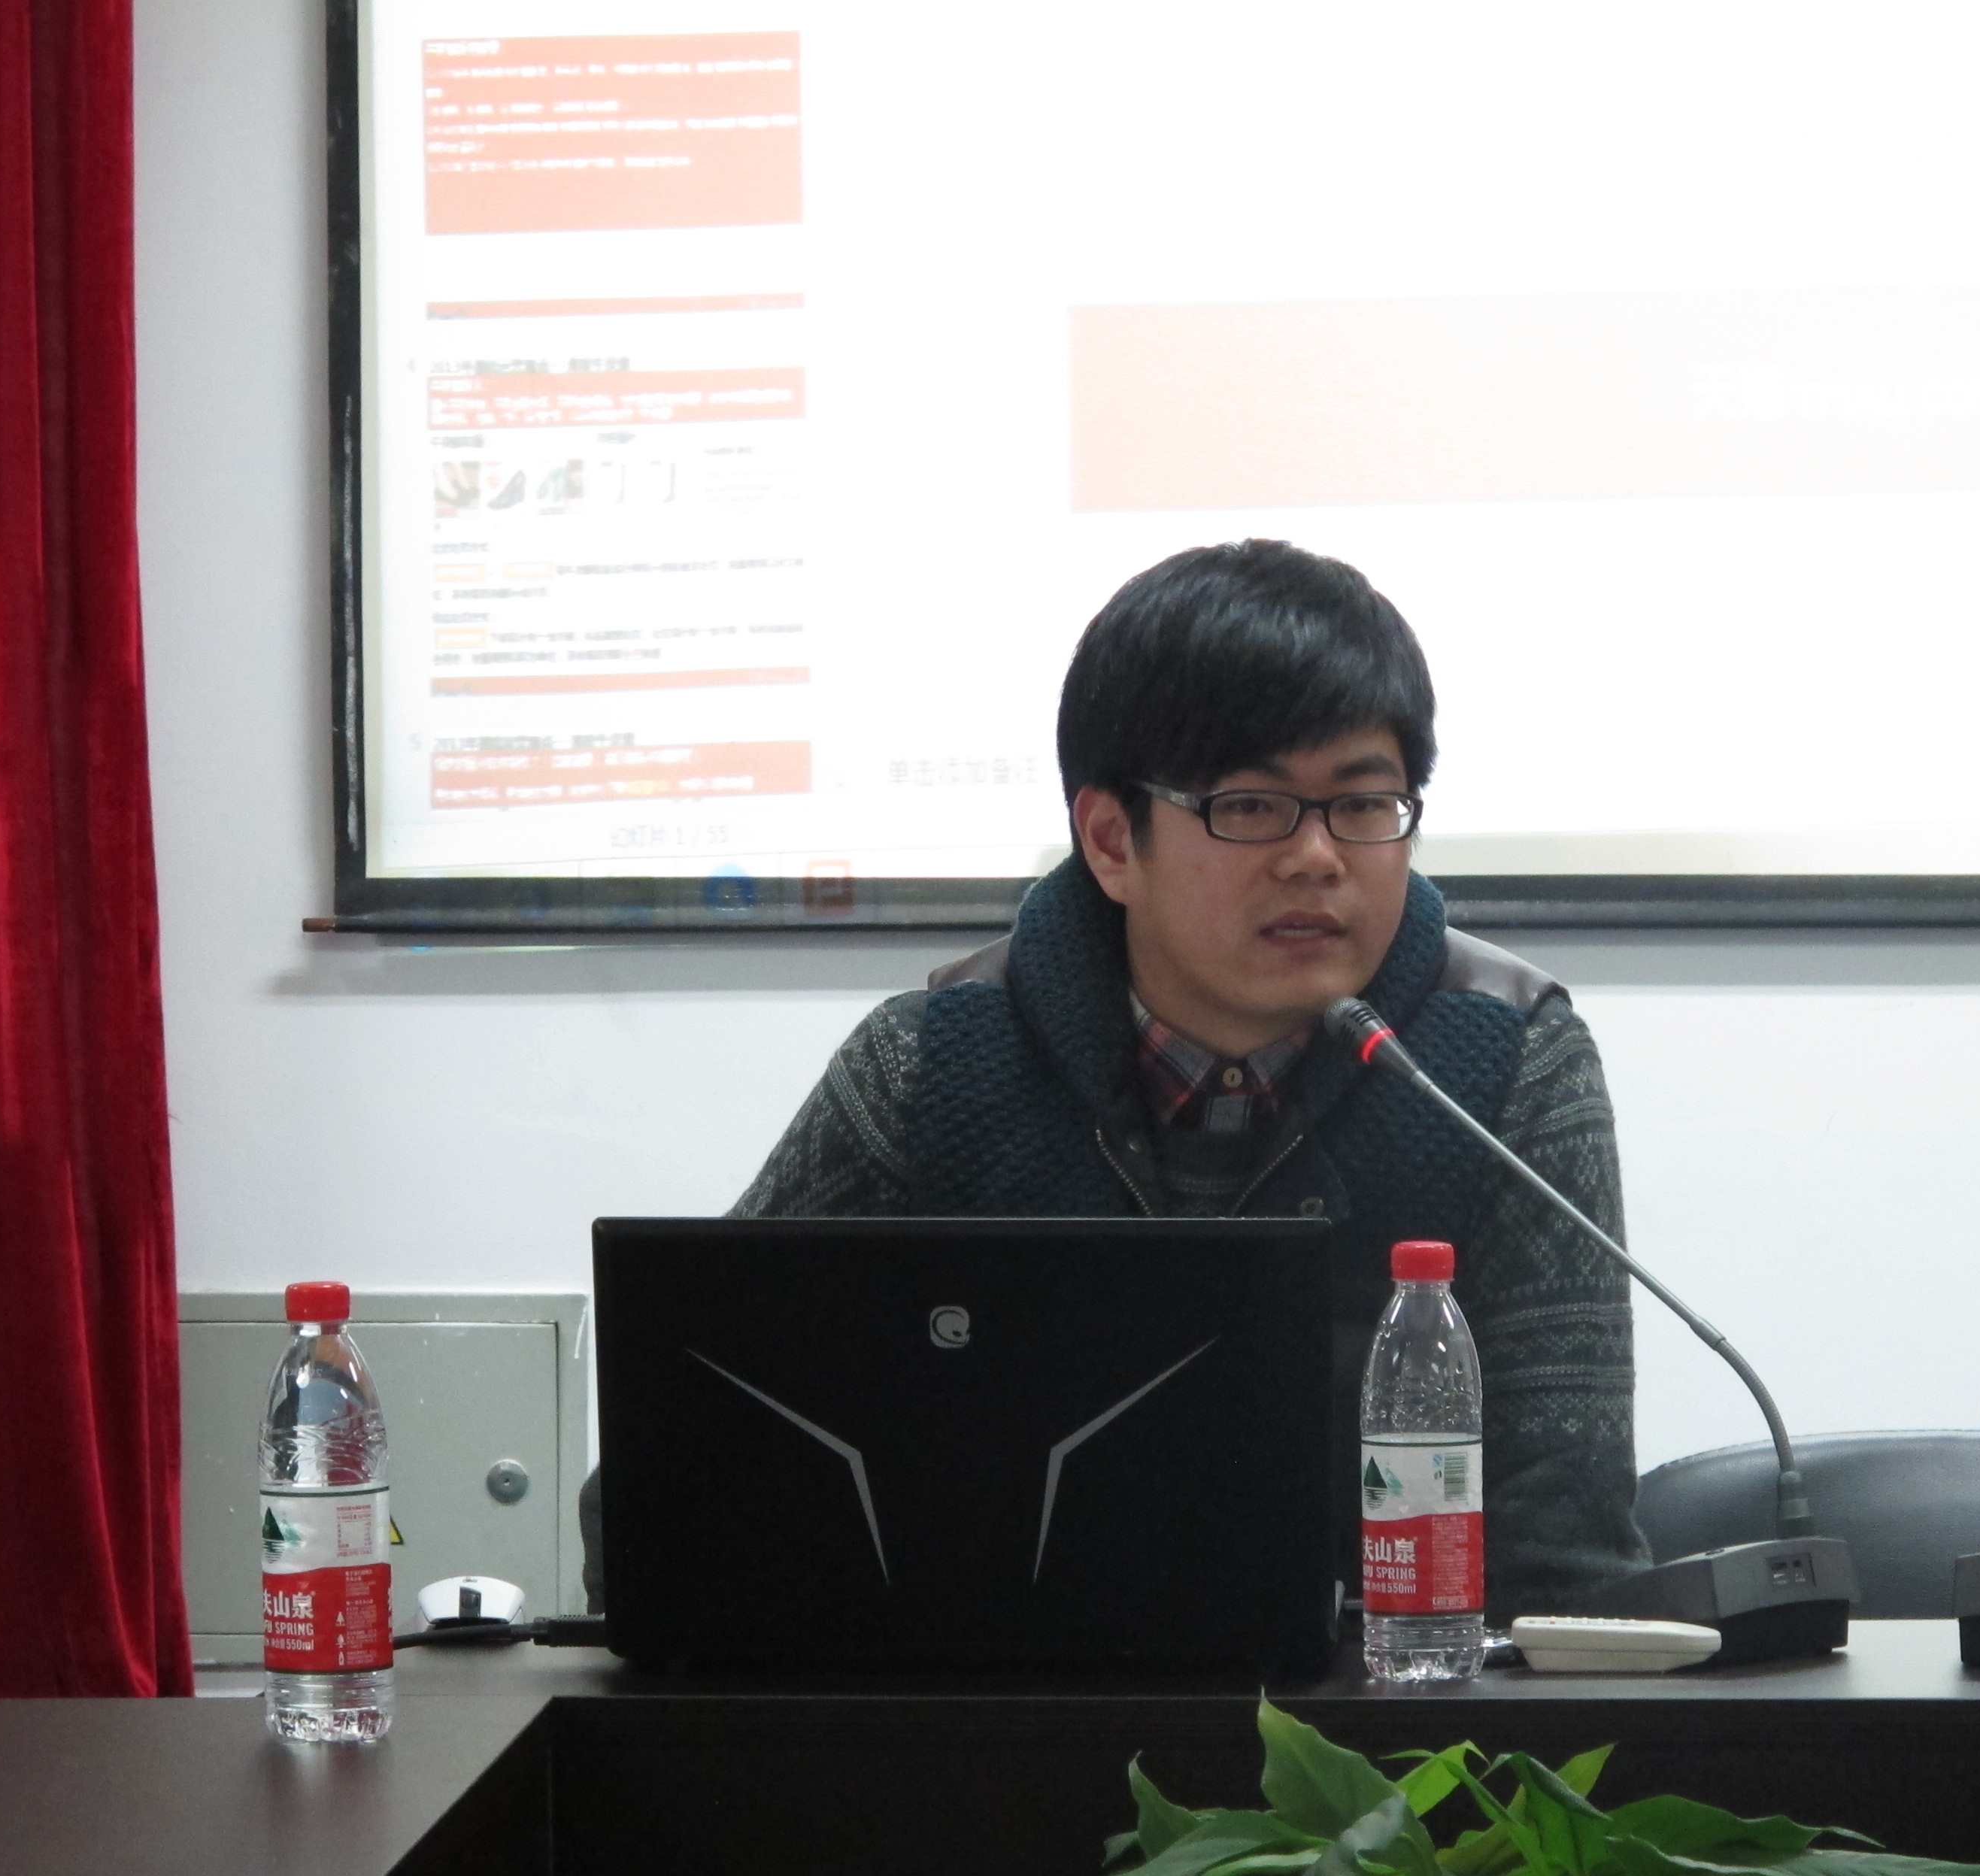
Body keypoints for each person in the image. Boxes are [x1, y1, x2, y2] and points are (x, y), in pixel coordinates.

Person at [588, 541, 1647, 1620]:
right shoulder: (930, 1066)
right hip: (992, 1701)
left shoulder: (1503, 1063)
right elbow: (672, 1475)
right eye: (1252, 805)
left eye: (1365, 804)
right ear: (1110, 841)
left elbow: (1566, 1553)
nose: (1319, 857)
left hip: (1383, 1712)